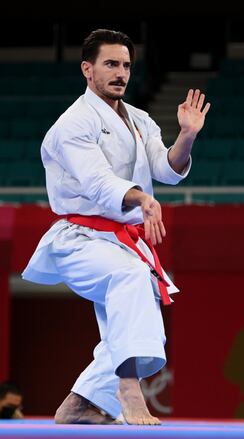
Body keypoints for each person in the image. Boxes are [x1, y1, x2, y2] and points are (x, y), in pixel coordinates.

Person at [22, 29, 210, 425]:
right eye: (110, 64)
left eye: (125, 65)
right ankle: (127, 387)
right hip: (80, 239)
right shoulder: (73, 124)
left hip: (119, 240)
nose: (120, 72)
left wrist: (188, 137)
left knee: (134, 312)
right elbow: (97, 182)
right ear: (87, 69)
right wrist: (143, 199)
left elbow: (167, 169)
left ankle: (82, 401)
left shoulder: (139, 119)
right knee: (131, 280)